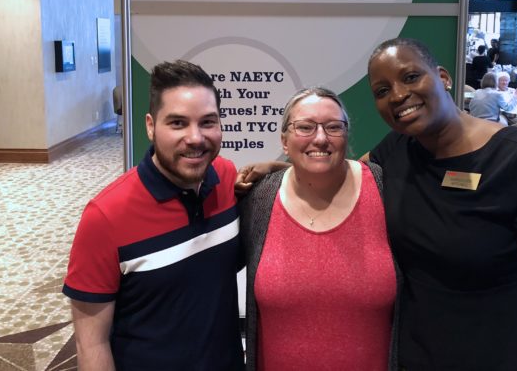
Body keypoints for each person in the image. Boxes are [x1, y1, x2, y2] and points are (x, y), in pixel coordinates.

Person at [365, 38, 517, 371]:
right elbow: (343, 174)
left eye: (409, 77)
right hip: (415, 356)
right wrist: (280, 171)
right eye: (381, 91)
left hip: (497, 355)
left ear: (444, 77)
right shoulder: (397, 148)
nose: (398, 95)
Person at [63, 60, 244, 371]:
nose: (195, 137)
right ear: (150, 125)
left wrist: (275, 168)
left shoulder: (226, 179)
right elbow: (91, 342)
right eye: (177, 123)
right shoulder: (105, 217)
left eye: (207, 122)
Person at [240, 87, 399, 371]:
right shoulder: (258, 200)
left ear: (347, 135)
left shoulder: (385, 190)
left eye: (334, 127)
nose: (321, 137)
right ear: (284, 141)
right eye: (305, 127)